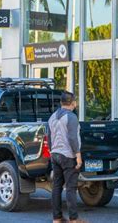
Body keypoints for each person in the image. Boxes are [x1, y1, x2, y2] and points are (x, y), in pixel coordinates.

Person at [48, 91, 83, 223]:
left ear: (62, 103)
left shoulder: (52, 117)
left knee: (56, 187)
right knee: (71, 188)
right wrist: (78, 155)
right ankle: (73, 219)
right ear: (73, 103)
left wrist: (52, 151)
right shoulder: (71, 117)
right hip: (68, 156)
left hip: (55, 155)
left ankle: (56, 218)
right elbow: (73, 138)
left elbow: (49, 138)